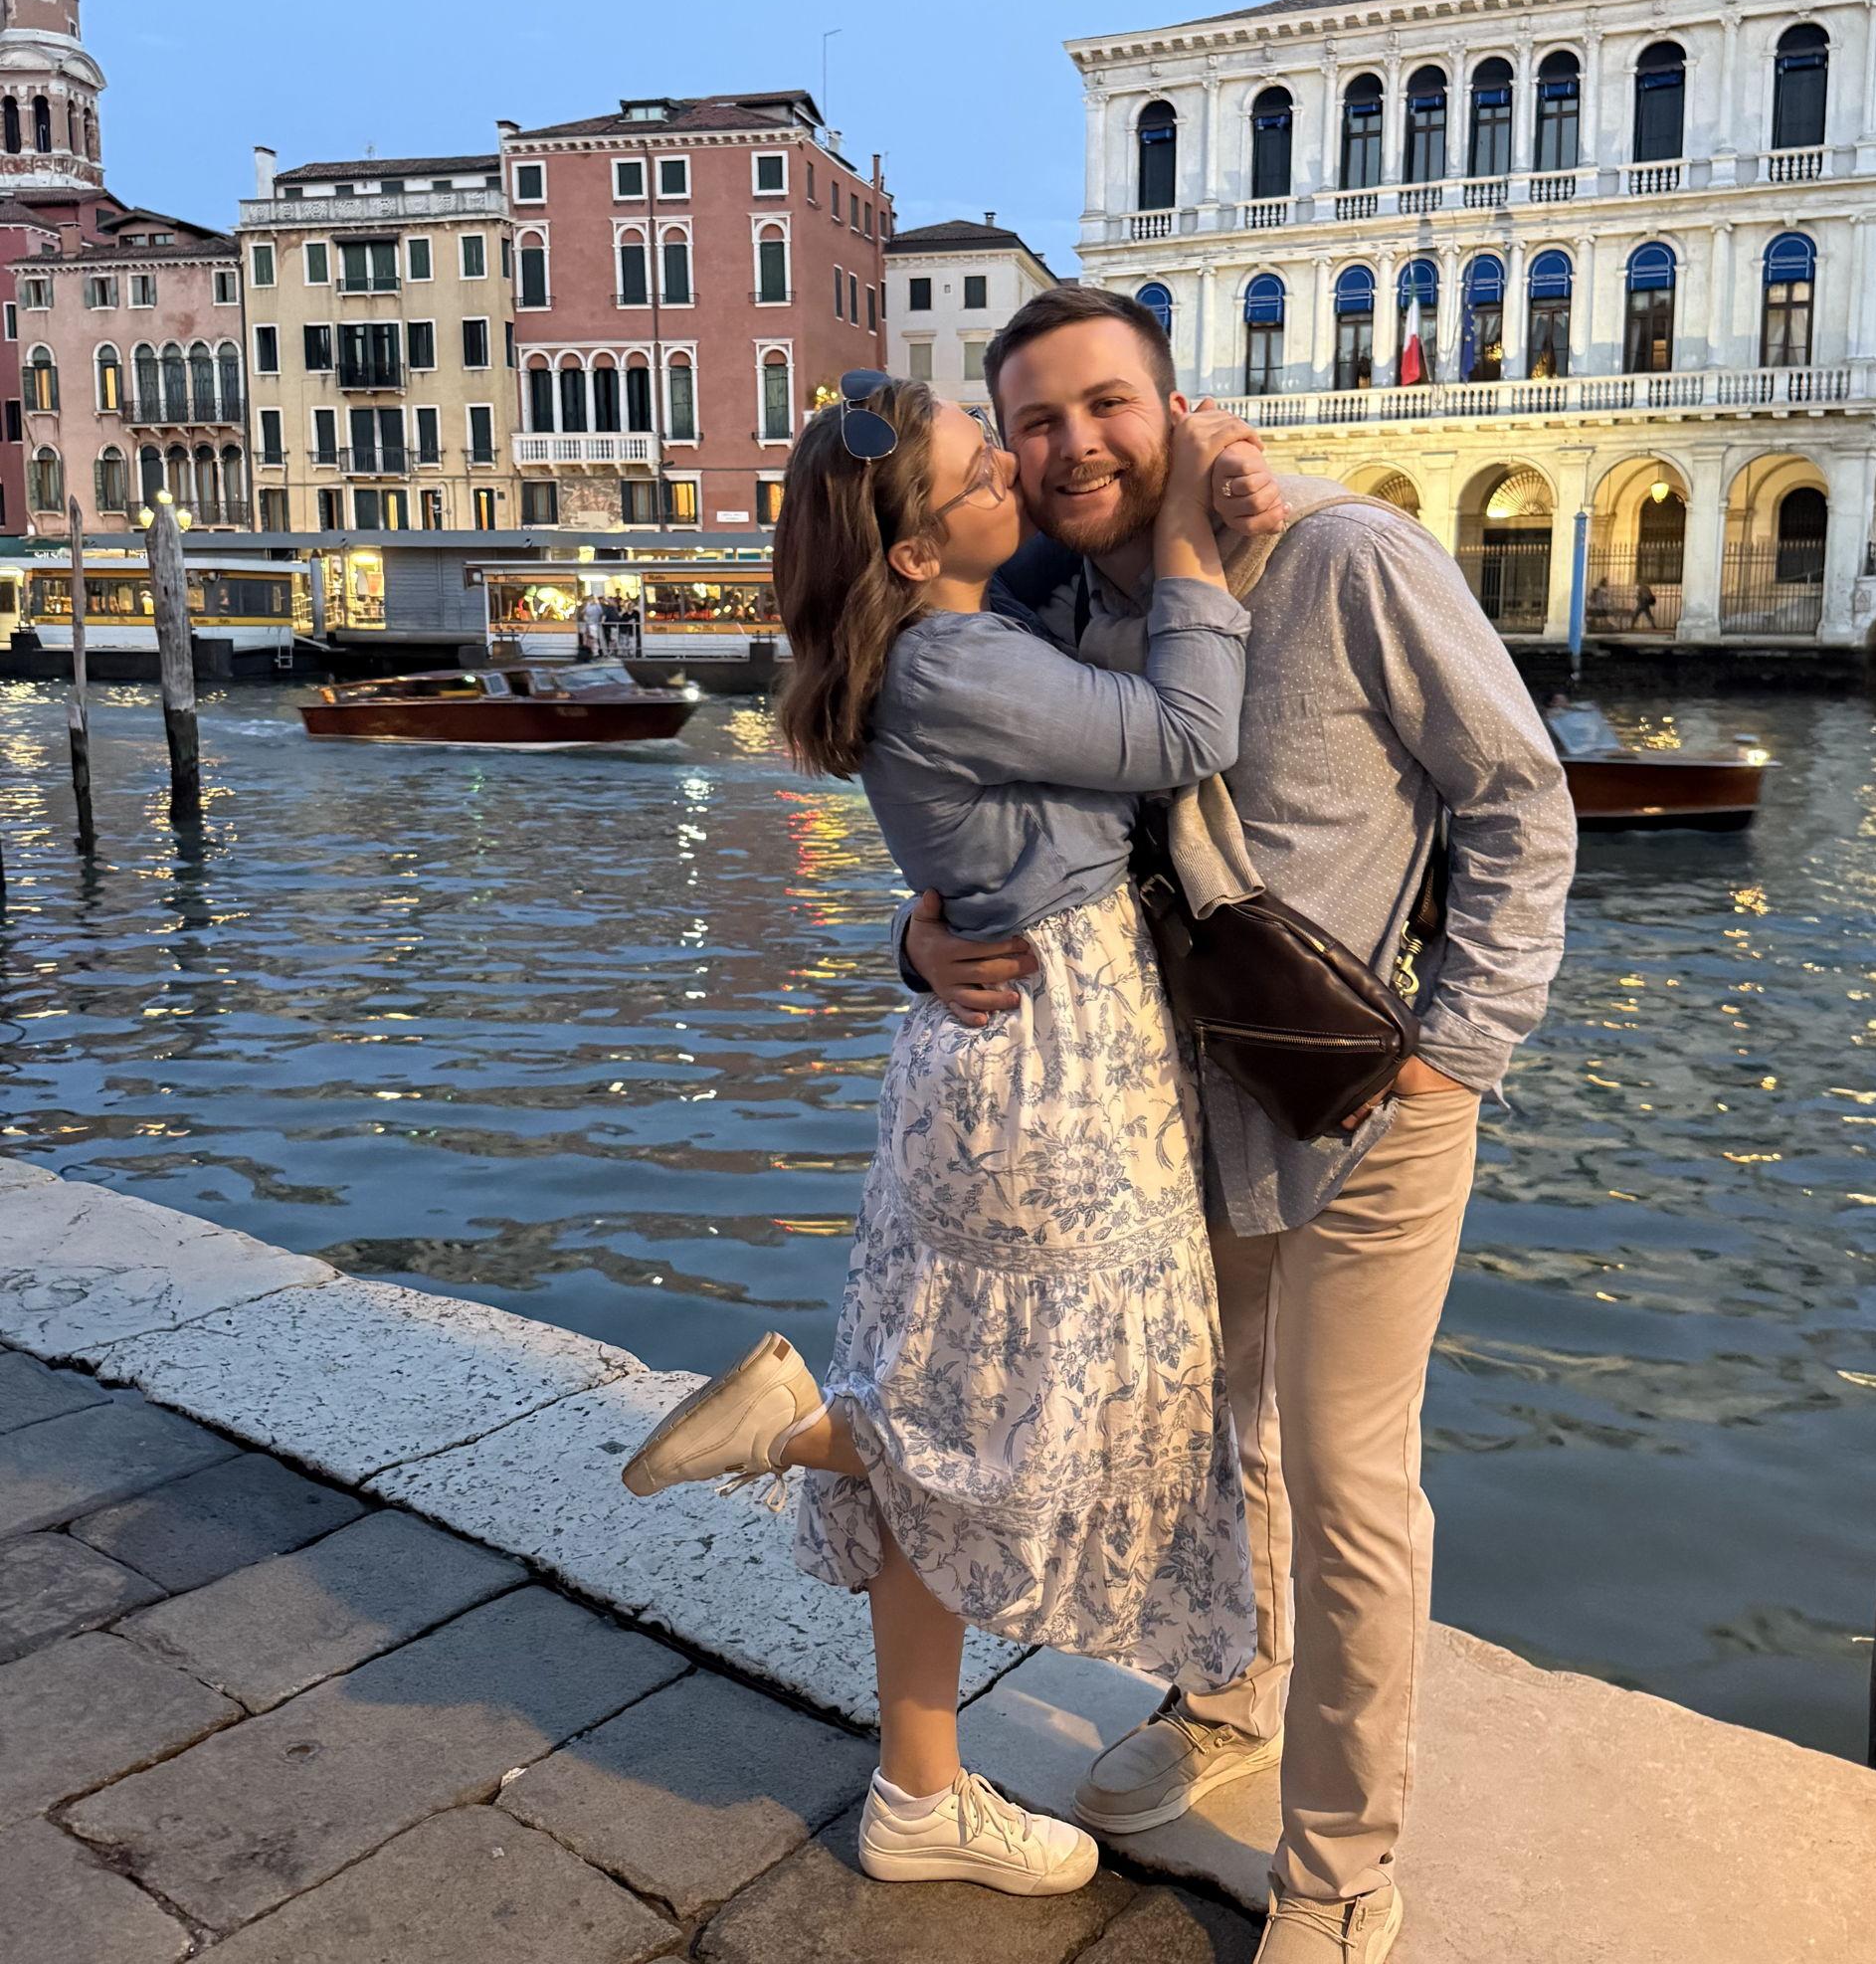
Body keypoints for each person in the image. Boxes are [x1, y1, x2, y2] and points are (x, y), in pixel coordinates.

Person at [904, 288, 1577, 1963]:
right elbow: (981, 819)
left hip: (1368, 1105)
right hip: (1170, 1112)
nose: (1075, 446)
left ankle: (1343, 1870)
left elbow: (1520, 798)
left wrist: (1460, 1050)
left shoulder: (1345, 559)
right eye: (1036, 420)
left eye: (1107, 404)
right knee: (1221, 1440)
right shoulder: (1048, 614)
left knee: (1352, 1481)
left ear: (1179, 406)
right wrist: (909, 940)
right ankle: (1230, 1697)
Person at [621, 376, 1281, 1898]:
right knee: (1040, 1405)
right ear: (916, 551)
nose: (1017, 480)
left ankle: (920, 1794)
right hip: (1057, 1066)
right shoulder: (955, 660)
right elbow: (1188, 727)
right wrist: (1185, 534)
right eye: (988, 469)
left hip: (984, 1056)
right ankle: (797, 1432)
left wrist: (904, 946)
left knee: (962, 1407)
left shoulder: (925, 646)